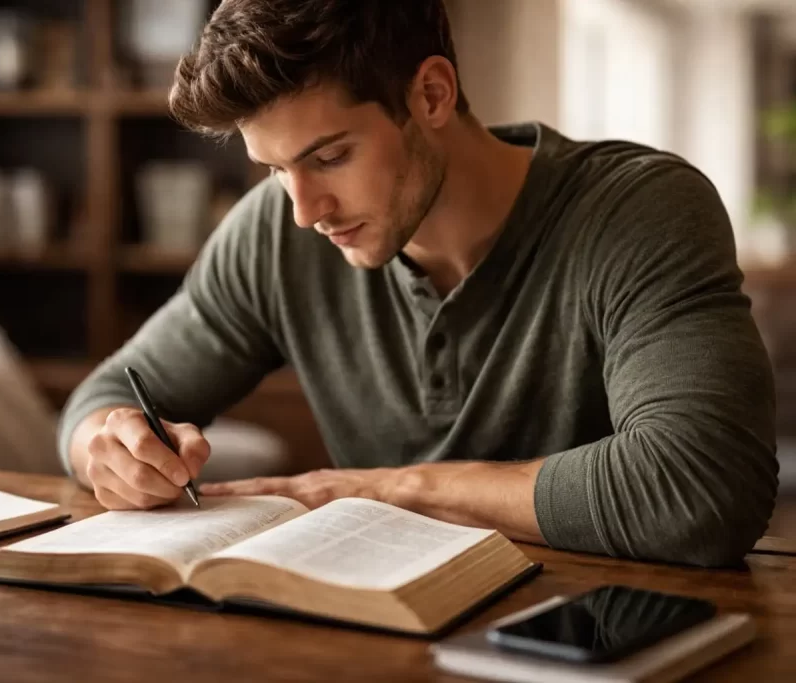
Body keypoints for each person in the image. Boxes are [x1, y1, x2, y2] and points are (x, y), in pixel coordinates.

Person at [58, 0, 778, 568]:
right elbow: (101, 399)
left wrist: (377, 489)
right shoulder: (273, 234)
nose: (304, 211)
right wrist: (111, 445)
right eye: (275, 170)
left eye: (330, 156)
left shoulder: (639, 211)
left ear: (431, 94)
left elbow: (702, 486)